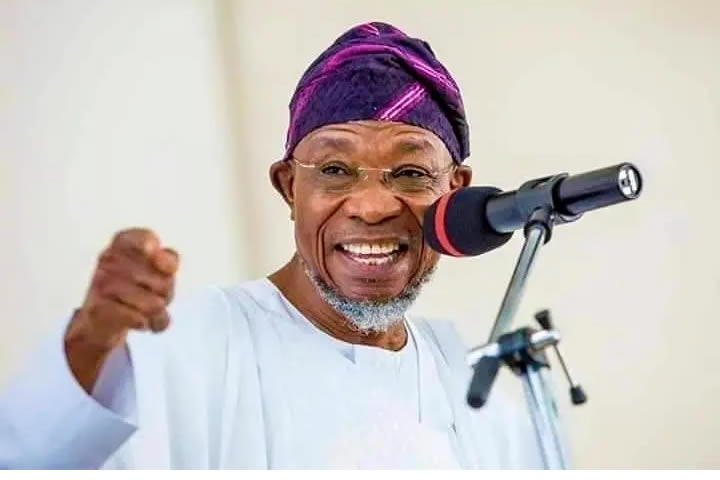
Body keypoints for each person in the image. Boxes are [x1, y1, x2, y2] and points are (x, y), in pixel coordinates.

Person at [0, 22, 541, 469]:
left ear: (455, 192)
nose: (372, 206)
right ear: (289, 187)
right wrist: (92, 336)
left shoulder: (481, 395)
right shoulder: (192, 345)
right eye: (334, 169)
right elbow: (24, 461)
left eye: (410, 173)